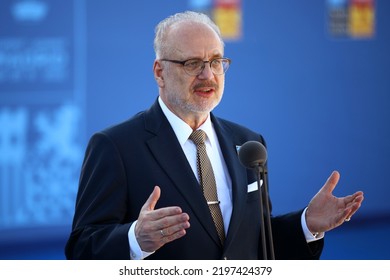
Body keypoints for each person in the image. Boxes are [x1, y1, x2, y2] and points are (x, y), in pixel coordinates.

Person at [65, 11, 364, 260]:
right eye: (192, 63)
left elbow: (255, 244)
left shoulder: (249, 144)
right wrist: (134, 240)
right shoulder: (116, 146)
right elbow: (81, 249)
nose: (208, 75)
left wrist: (306, 224)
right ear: (159, 72)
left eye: (216, 62)